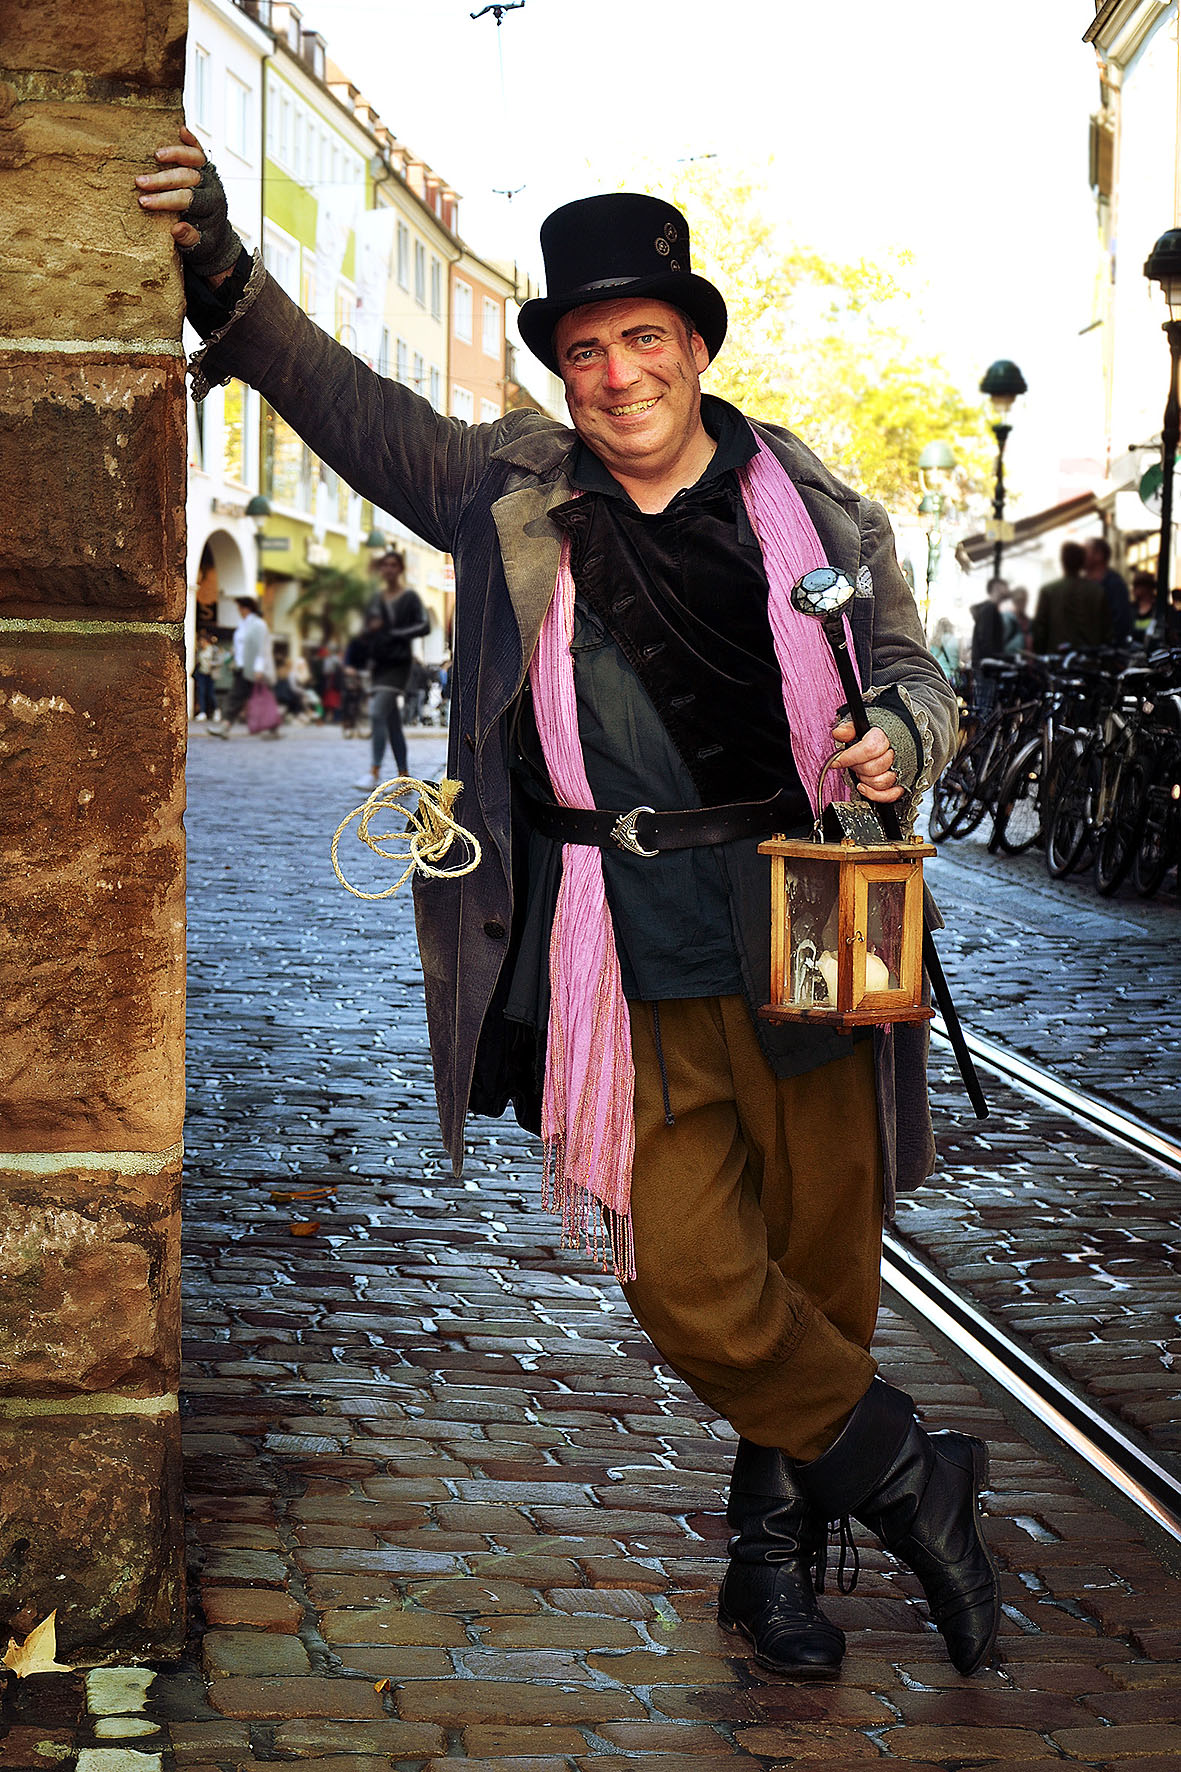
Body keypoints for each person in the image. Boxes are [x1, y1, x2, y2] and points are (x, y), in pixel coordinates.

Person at [138, 137, 1000, 1681]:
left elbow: (921, 677)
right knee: (685, 1269)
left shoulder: (808, 498)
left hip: (810, 913)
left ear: (696, 347)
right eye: (586, 348)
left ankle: (774, 1560)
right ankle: (903, 1472)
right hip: (623, 936)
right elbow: (346, 402)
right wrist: (218, 267)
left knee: (818, 1265)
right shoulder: (508, 491)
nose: (616, 375)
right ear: (564, 367)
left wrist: (903, 734)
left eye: (643, 340)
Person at [354, 550, 431, 791]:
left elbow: (425, 625)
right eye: (384, 565)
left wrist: (395, 633)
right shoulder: (377, 599)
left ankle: (374, 772)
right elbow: (367, 631)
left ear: (400, 569)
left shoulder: (409, 598)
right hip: (379, 664)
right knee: (392, 721)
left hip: (398, 664)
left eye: (393, 565)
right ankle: (404, 775)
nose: (388, 569)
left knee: (377, 712)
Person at [207, 594, 276, 736]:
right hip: (242, 668)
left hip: (253, 668)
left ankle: (226, 726)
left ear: (247, 608)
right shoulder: (242, 625)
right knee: (240, 697)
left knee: (248, 697)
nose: (238, 610)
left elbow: (261, 648)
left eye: (240, 607)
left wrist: (258, 668)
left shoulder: (258, 624)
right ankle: (227, 726)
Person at [1032, 541, 1112, 655]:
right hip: (1091, 663)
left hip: (1057, 662)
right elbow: (1107, 631)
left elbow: (1039, 631)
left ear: (1063, 562)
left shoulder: (1048, 591)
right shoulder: (1097, 591)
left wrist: (1041, 655)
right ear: (1082, 562)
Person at [1084, 536, 1133, 646]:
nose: (1080, 556)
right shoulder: (1082, 583)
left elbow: (1121, 622)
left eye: (1085, 551)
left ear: (1099, 555)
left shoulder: (1114, 584)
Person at [192, 629, 220, 721]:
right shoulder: (200, 650)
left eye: (202, 641)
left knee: (211, 694)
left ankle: (216, 710)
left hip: (210, 674)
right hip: (201, 673)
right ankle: (202, 712)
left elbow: (220, 661)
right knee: (201, 693)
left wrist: (211, 664)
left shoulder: (214, 649)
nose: (201, 643)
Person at [1001, 586, 1032, 656]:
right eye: (1020, 600)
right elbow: (1002, 643)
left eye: (1025, 600)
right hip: (1012, 658)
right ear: (1014, 600)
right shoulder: (1007, 618)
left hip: (1027, 658)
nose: (1023, 603)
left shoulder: (1027, 620)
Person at [927, 616, 960, 680]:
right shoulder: (955, 640)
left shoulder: (934, 641)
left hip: (938, 676)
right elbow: (958, 660)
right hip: (951, 677)